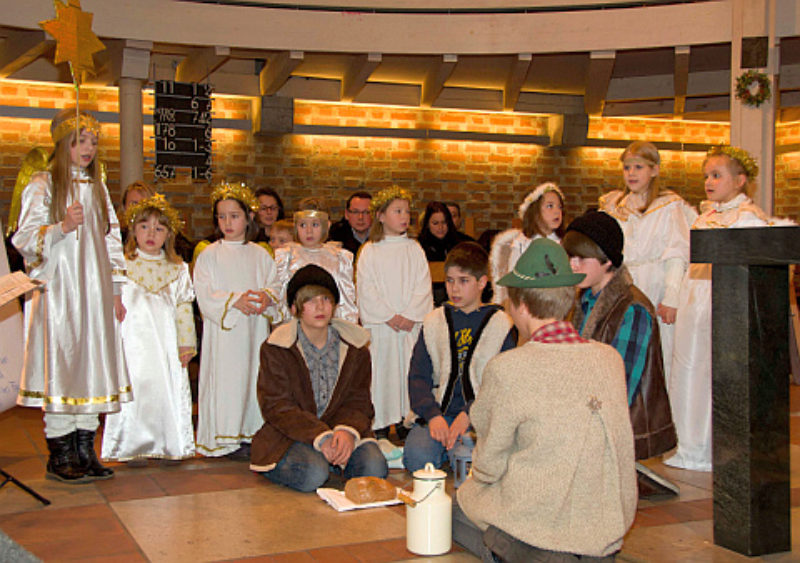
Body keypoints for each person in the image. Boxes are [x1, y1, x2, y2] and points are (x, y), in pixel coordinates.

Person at [454, 238, 637, 562]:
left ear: (521, 306)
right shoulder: (609, 359)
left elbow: (488, 464)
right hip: (604, 524)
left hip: (538, 528)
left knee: (458, 507)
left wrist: (477, 482)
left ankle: (521, 552)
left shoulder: (508, 368)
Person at [11, 108, 130, 483]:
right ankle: (59, 452)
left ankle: (84, 448)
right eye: (81, 141)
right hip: (61, 293)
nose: (89, 149)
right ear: (63, 144)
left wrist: (114, 289)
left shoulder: (97, 188)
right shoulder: (43, 185)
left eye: (94, 141)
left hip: (94, 292)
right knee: (63, 365)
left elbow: (111, 241)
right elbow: (24, 239)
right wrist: (61, 226)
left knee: (92, 363)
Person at [666, 146, 790, 472]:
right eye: (706, 175)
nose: (709, 181)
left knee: (712, 371)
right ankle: (685, 442)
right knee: (687, 368)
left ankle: (710, 446)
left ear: (740, 181)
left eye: (716, 175)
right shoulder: (705, 217)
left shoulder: (749, 218)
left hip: (722, 299)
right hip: (695, 298)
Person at [562, 210, 677, 496]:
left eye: (581, 258)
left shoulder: (632, 309)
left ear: (608, 259)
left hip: (618, 424)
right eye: (570, 257)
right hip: (591, 411)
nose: (573, 265)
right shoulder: (586, 300)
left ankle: (628, 472)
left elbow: (620, 387)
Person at [250, 264, 388, 492]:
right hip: (293, 434)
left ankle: (334, 459)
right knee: (312, 473)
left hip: (340, 429)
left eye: (325, 299)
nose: (320, 306)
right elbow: (276, 406)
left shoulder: (354, 348)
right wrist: (320, 437)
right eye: (310, 300)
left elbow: (359, 401)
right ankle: (319, 463)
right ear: (295, 308)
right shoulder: (277, 348)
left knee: (375, 468)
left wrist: (346, 431)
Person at [403, 242, 516, 473]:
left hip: (479, 416)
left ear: (482, 283)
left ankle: (455, 451)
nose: (454, 289)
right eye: (450, 280)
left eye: (463, 281)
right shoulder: (435, 321)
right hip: (439, 413)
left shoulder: (500, 324)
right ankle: (444, 448)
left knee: (475, 459)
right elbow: (418, 376)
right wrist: (433, 416)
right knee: (416, 458)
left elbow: (504, 385)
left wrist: (470, 414)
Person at [101, 194, 197, 464]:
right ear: (133, 230)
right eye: (144, 227)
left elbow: (183, 306)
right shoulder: (121, 265)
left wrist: (186, 344)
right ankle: (126, 443)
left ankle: (169, 442)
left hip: (165, 344)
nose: (151, 234)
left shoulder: (178, 269)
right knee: (134, 386)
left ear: (169, 234)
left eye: (159, 228)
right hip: (132, 343)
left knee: (164, 388)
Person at [193, 182, 285, 460]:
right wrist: (234, 300)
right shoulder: (210, 254)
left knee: (252, 379)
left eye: (234, 216)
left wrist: (267, 298)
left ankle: (250, 433)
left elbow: (275, 284)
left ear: (248, 217)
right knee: (225, 382)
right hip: (225, 333)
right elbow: (204, 293)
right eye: (222, 216)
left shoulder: (260, 254)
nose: (227, 222)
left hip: (253, 330)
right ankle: (222, 438)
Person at [599, 141, 696, 384]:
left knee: (657, 351)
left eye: (638, 167)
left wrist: (672, 296)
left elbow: (676, 252)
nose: (631, 173)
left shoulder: (667, 206)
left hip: (655, 284)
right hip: (622, 282)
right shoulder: (615, 206)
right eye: (627, 167)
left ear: (654, 170)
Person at [356, 186, 433, 440]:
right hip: (383, 327)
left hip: (409, 326)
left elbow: (423, 285)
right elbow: (366, 288)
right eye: (397, 211)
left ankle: (406, 422)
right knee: (382, 373)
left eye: (407, 212)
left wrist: (410, 314)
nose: (404, 217)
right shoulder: (370, 250)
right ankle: (379, 423)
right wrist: (388, 315)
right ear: (380, 216)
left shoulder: (414, 248)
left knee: (409, 370)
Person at [274, 197, 358, 323]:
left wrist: (347, 328)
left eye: (315, 224)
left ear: (326, 225)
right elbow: (280, 298)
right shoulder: (286, 256)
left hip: (329, 325)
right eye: (303, 225)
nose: (309, 231)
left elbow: (346, 301)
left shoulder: (340, 257)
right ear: (295, 227)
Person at [490, 182, 565, 306]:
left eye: (560, 207)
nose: (557, 212)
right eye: (550, 206)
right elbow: (513, 280)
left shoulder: (563, 243)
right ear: (534, 211)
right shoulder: (522, 244)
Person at [417, 201, 474, 306]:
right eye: (435, 223)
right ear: (427, 225)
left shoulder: (463, 244)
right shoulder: (418, 247)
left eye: (444, 222)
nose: (440, 227)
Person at [329, 191, 372, 257]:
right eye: (355, 212)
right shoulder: (335, 234)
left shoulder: (384, 235)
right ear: (347, 214)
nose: (360, 217)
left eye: (366, 212)